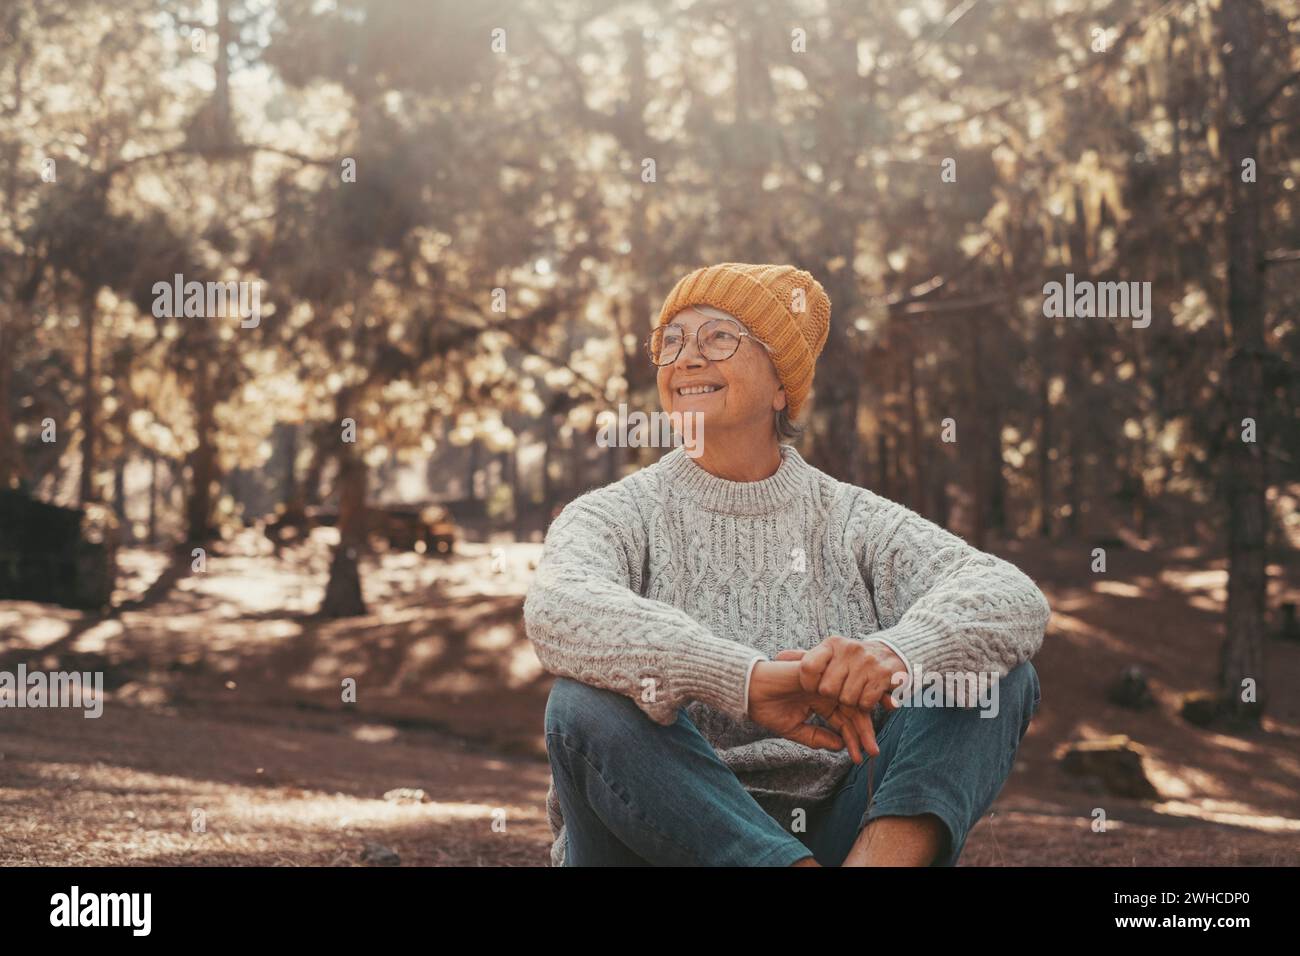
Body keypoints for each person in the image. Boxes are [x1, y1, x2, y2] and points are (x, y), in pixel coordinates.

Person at [523, 263, 1049, 866]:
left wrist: (896, 653)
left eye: (719, 337)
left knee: (991, 673)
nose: (686, 358)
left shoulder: (851, 518)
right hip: (647, 840)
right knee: (583, 702)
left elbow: (1008, 594)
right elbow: (559, 608)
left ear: (782, 387)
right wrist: (744, 680)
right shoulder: (615, 514)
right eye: (671, 342)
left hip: (832, 837)